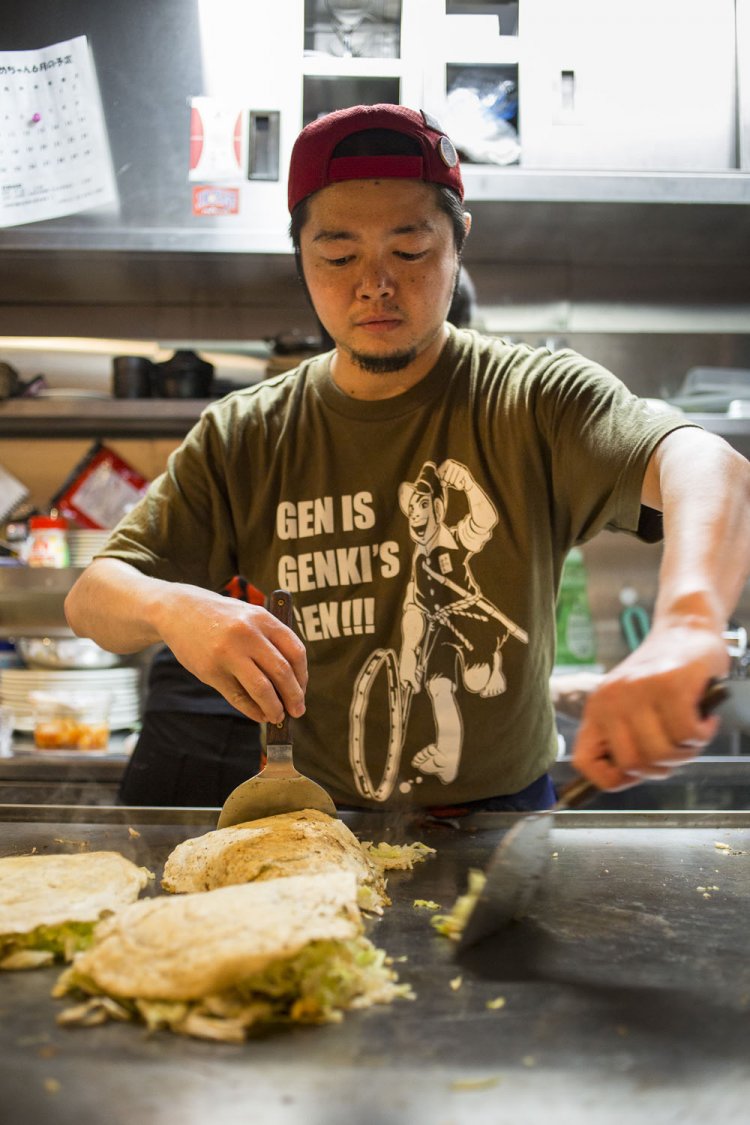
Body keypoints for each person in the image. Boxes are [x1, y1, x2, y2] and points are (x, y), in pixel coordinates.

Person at [65, 104, 750, 813]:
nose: (375, 284)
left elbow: (711, 467)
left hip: (507, 816)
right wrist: (173, 607)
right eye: (338, 256)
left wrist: (688, 625)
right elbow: (92, 597)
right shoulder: (247, 432)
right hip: (316, 821)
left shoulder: (533, 398)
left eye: (411, 250)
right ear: (300, 255)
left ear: (459, 240)